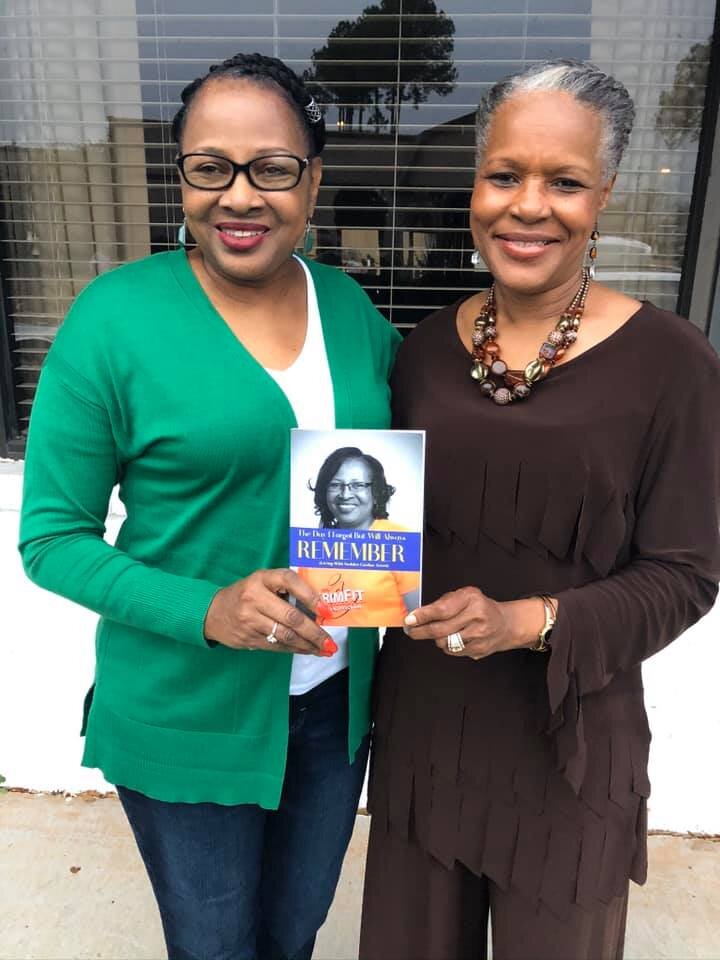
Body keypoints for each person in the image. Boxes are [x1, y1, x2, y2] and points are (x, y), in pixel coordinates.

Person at [19, 52, 401, 960]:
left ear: (313, 180)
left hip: (334, 704)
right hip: (185, 708)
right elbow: (51, 538)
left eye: (272, 168)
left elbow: (397, 472)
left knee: (295, 933)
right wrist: (208, 608)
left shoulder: (350, 310)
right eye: (210, 167)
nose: (239, 196)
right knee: (216, 946)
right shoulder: (115, 319)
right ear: (182, 177)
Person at [360, 59, 720, 960]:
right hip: (425, 729)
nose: (528, 206)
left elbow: (686, 574)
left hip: (569, 742)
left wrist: (530, 620)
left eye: (564, 182)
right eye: (505, 174)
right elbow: (371, 522)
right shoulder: (422, 351)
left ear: (604, 196)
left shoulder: (673, 363)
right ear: (475, 185)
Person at [299, 446, 421, 626]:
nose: (345, 494)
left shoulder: (401, 541)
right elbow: (304, 620)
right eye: (335, 485)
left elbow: (419, 621)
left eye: (358, 485)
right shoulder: (313, 547)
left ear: (376, 492)